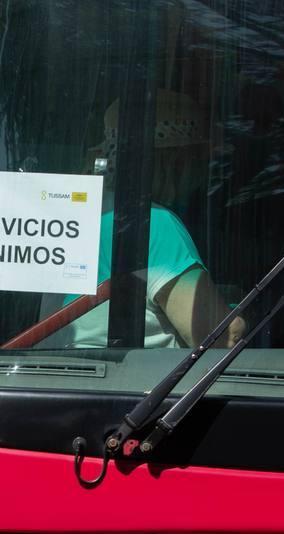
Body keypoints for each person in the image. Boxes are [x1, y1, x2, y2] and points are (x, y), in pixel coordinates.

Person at [50, 89, 232, 349]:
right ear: (178, 161)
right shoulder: (154, 223)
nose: (206, 168)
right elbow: (221, 339)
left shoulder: (76, 211)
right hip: (136, 384)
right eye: (202, 157)